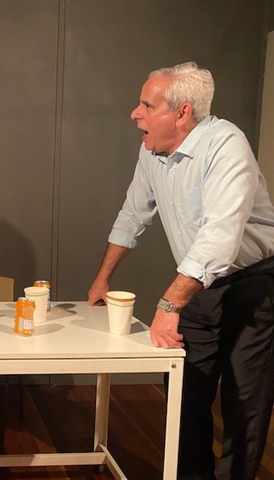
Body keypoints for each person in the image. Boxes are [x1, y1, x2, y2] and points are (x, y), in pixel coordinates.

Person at [88, 61, 274, 479]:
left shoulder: (226, 145)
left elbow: (220, 238)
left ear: (182, 113)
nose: (135, 114)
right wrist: (104, 277)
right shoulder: (151, 151)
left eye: (146, 105)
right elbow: (132, 215)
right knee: (185, 392)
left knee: (245, 401)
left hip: (253, 282)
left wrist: (169, 303)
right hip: (198, 283)